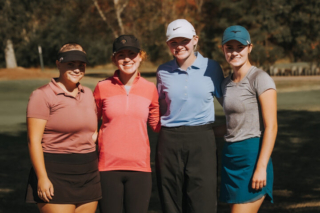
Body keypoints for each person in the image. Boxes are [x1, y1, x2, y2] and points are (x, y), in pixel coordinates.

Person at [156, 19, 224, 213]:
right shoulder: (162, 71)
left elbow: (229, 103)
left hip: (201, 138)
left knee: (203, 199)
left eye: (184, 41)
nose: (179, 46)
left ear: (195, 40)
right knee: (171, 198)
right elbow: (160, 106)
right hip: (169, 139)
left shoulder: (212, 67)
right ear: (168, 44)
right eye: (173, 42)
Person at [25, 43, 102, 213]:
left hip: (88, 172)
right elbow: (34, 140)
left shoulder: (88, 94)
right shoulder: (42, 95)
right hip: (55, 172)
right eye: (70, 64)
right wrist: (42, 177)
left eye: (81, 65)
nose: (77, 69)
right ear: (58, 64)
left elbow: (92, 127)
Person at [93, 35, 160, 213]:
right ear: (114, 59)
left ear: (140, 56)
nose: (127, 59)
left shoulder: (150, 88)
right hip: (107, 168)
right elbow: (91, 123)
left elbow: (156, 124)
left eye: (132, 53)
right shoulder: (102, 87)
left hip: (140, 168)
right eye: (121, 55)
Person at [219, 25, 277, 213]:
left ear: (249, 48)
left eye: (240, 47)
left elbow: (272, 127)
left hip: (252, 158)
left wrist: (261, 167)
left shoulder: (260, 78)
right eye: (230, 48)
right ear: (223, 49)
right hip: (230, 158)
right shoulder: (225, 83)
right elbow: (233, 124)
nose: (235, 52)